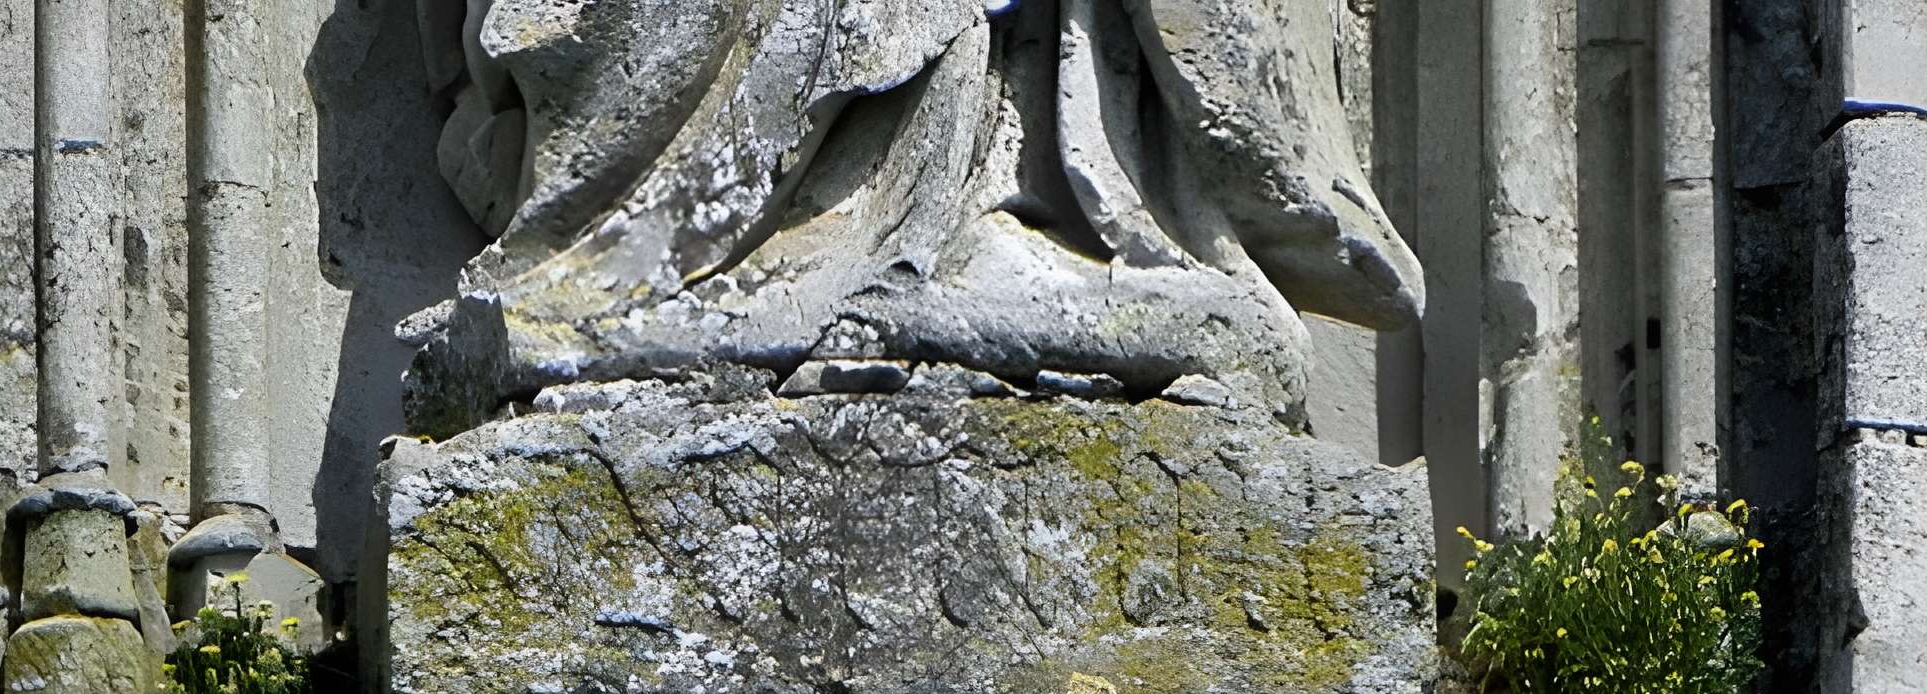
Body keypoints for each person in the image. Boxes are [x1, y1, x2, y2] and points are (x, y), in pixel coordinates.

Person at [408, 0, 1424, 426]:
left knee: (1237, 338)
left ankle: (912, 260)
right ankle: (809, 283)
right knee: (1230, 342)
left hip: (1002, 155)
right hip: (678, 135)